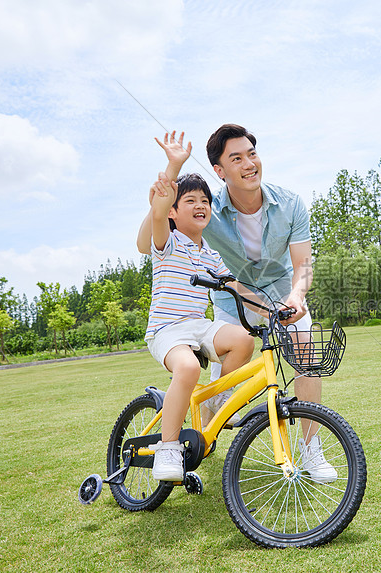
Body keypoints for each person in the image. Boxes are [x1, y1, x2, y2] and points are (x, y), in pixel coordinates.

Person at [138, 126, 336, 482]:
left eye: (252, 154)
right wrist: (167, 183)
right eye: (236, 158)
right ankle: (184, 438)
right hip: (213, 311)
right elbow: (159, 222)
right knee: (214, 397)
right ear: (220, 170)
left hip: (277, 294)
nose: (249, 163)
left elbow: (302, 265)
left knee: (305, 352)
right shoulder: (205, 213)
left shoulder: (289, 203)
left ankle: (311, 449)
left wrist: (292, 299)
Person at [143, 158, 254, 482]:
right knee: (189, 368)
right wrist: (173, 167)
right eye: (190, 200)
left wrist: (274, 308)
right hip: (167, 330)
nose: (200, 205)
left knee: (243, 340)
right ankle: (168, 447)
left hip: (199, 326)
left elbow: (237, 287)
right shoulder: (167, 243)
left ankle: (219, 405)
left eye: (205, 200)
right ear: (175, 212)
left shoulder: (210, 254)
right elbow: (158, 212)